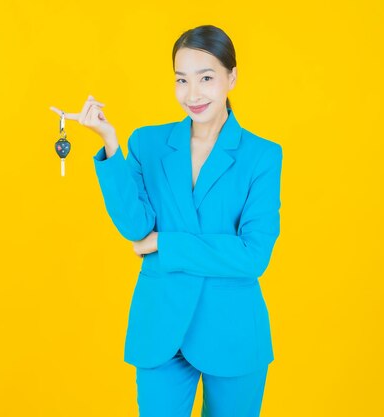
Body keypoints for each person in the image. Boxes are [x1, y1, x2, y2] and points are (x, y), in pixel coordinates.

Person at [50, 24, 282, 417]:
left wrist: (164, 244)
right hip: (160, 328)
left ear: (232, 77)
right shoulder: (148, 143)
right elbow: (135, 228)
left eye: (206, 78)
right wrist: (110, 144)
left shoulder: (262, 155)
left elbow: (253, 255)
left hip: (232, 331)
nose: (193, 94)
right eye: (181, 80)